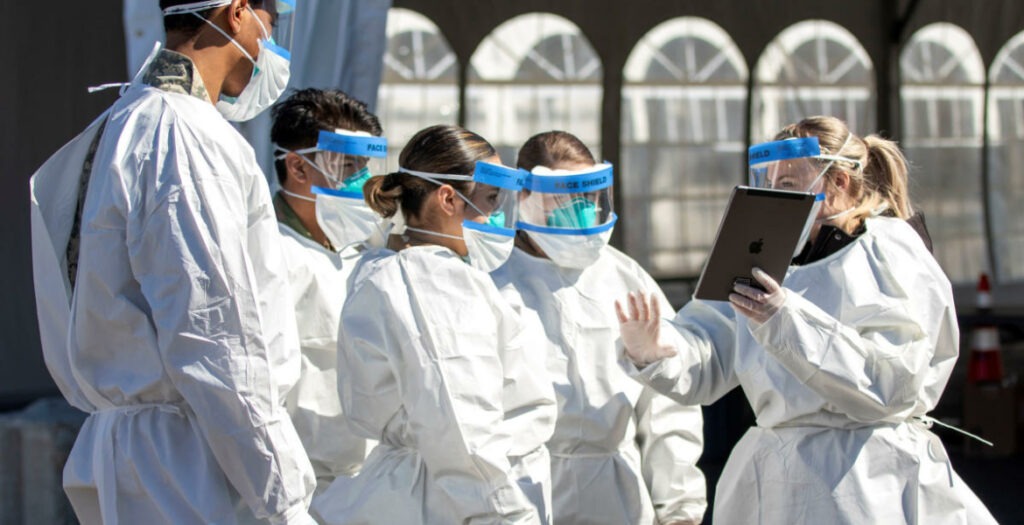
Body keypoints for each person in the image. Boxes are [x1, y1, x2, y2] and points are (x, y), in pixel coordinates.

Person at [616, 116, 997, 523]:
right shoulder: (764, 255)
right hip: (775, 477)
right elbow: (712, 345)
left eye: (788, 184)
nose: (774, 197)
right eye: (769, 183)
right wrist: (658, 350)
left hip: (868, 478)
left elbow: (893, 383)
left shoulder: (887, 250)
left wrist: (785, 320)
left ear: (839, 183)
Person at [29, 1, 316, 523]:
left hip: (153, 454)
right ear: (238, 13)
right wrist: (285, 501)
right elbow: (215, 335)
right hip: (189, 462)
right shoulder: (184, 135)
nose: (270, 47)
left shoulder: (126, 119)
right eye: (271, 26)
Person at [312, 125, 557, 524]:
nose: (497, 215)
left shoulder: (396, 268)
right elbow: (463, 427)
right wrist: (508, 517)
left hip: (431, 491)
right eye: (491, 199)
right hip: (451, 502)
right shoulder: (437, 283)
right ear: (448, 198)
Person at [490, 131, 707, 525]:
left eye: (588, 197)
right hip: (525, 493)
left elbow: (667, 403)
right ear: (524, 197)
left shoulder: (623, 276)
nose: (580, 210)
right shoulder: (493, 282)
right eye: (564, 198)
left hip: (618, 494)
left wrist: (680, 508)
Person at [270, 87, 387, 494]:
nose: (363, 181)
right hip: (295, 484)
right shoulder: (265, 253)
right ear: (298, 168)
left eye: (365, 166)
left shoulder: (363, 255)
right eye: (347, 166)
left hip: (365, 483)